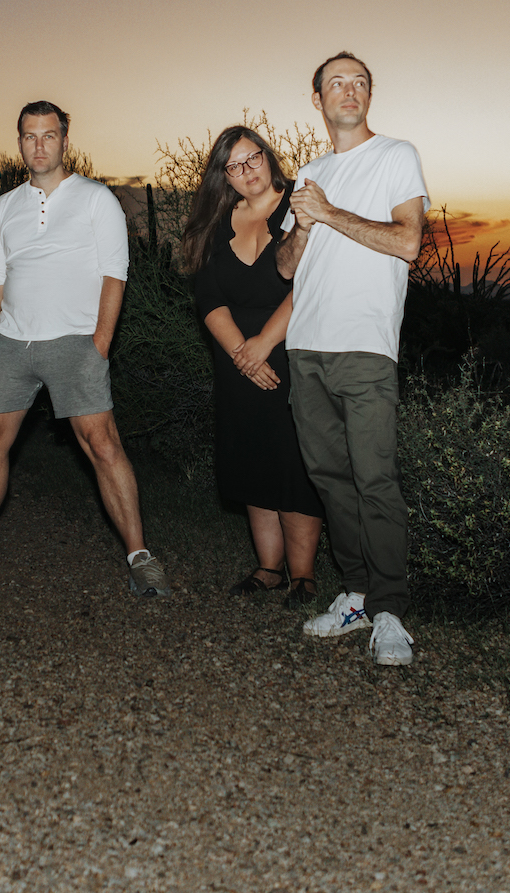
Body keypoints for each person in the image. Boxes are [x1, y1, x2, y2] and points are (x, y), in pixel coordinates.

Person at [0, 100, 172, 598]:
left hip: (75, 342)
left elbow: (114, 275)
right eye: (29, 136)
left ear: (65, 140)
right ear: (19, 142)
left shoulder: (95, 198)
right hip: (9, 344)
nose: (40, 145)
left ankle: (140, 556)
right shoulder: (5, 207)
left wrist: (99, 345)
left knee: (102, 445)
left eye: (49, 135)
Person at [277, 51, 428, 664]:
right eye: (336, 83)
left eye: (360, 82)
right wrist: (304, 224)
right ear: (317, 100)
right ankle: (358, 595)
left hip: (365, 346)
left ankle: (391, 611)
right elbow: (287, 267)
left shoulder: (396, 156)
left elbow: (408, 241)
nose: (349, 90)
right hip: (305, 347)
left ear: (369, 96)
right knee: (331, 479)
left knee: (375, 479)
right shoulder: (308, 174)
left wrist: (330, 213)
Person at [178, 125, 325, 607]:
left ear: (268, 157)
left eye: (253, 159)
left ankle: (303, 575)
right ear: (223, 176)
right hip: (235, 358)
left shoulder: (298, 208)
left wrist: (262, 343)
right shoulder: (216, 223)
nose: (247, 171)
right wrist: (243, 353)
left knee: (292, 461)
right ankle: (268, 568)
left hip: (289, 349)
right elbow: (208, 297)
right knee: (251, 457)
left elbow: (306, 285)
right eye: (234, 165)